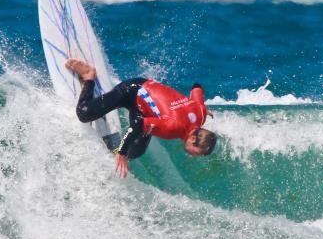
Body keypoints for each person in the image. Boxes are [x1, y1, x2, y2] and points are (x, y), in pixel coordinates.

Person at [64, 58, 217, 178]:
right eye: (196, 152)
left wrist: (201, 107)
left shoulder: (201, 112)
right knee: (84, 114)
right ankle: (89, 76)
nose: (194, 156)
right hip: (132, 91)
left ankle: (119, 149)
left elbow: (197, 87)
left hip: (145, 109)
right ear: (192, 140)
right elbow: (138, 124)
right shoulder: (172, 128)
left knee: (137, 151)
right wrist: (122, 153)